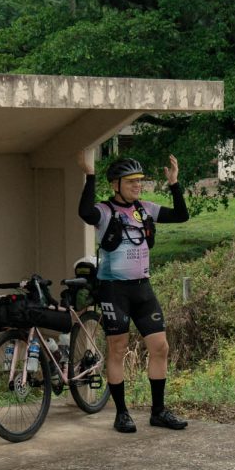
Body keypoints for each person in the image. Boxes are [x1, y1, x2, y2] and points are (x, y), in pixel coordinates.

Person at [77, 151, 189, 433]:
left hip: (142, 289)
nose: (137, 185)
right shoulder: (104, 211)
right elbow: (84, 212)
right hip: (114, 289)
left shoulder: (145, 208)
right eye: (131, 182)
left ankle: (159, 411)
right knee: (118, 348)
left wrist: (174, 184)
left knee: (160, 347)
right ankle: (122, 413)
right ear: (115, 184)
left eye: (140, 181)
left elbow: (180, 215)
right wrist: (90, 176)